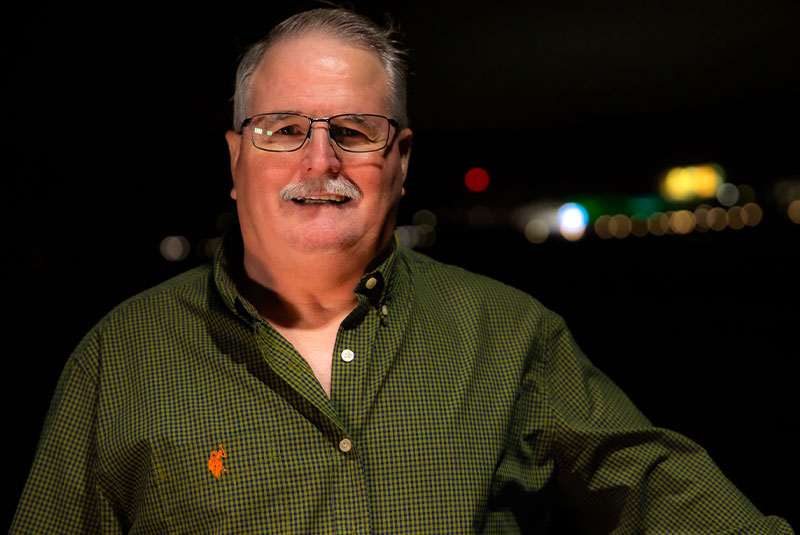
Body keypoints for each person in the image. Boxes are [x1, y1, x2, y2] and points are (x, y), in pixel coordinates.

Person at [10, 7, 794, 534]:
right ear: (235, 156)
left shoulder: (508, 333)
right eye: (284, 128)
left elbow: (658, 485)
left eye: (354, 129)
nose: (321, 160)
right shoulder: (120, 358)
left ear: (401, 158)